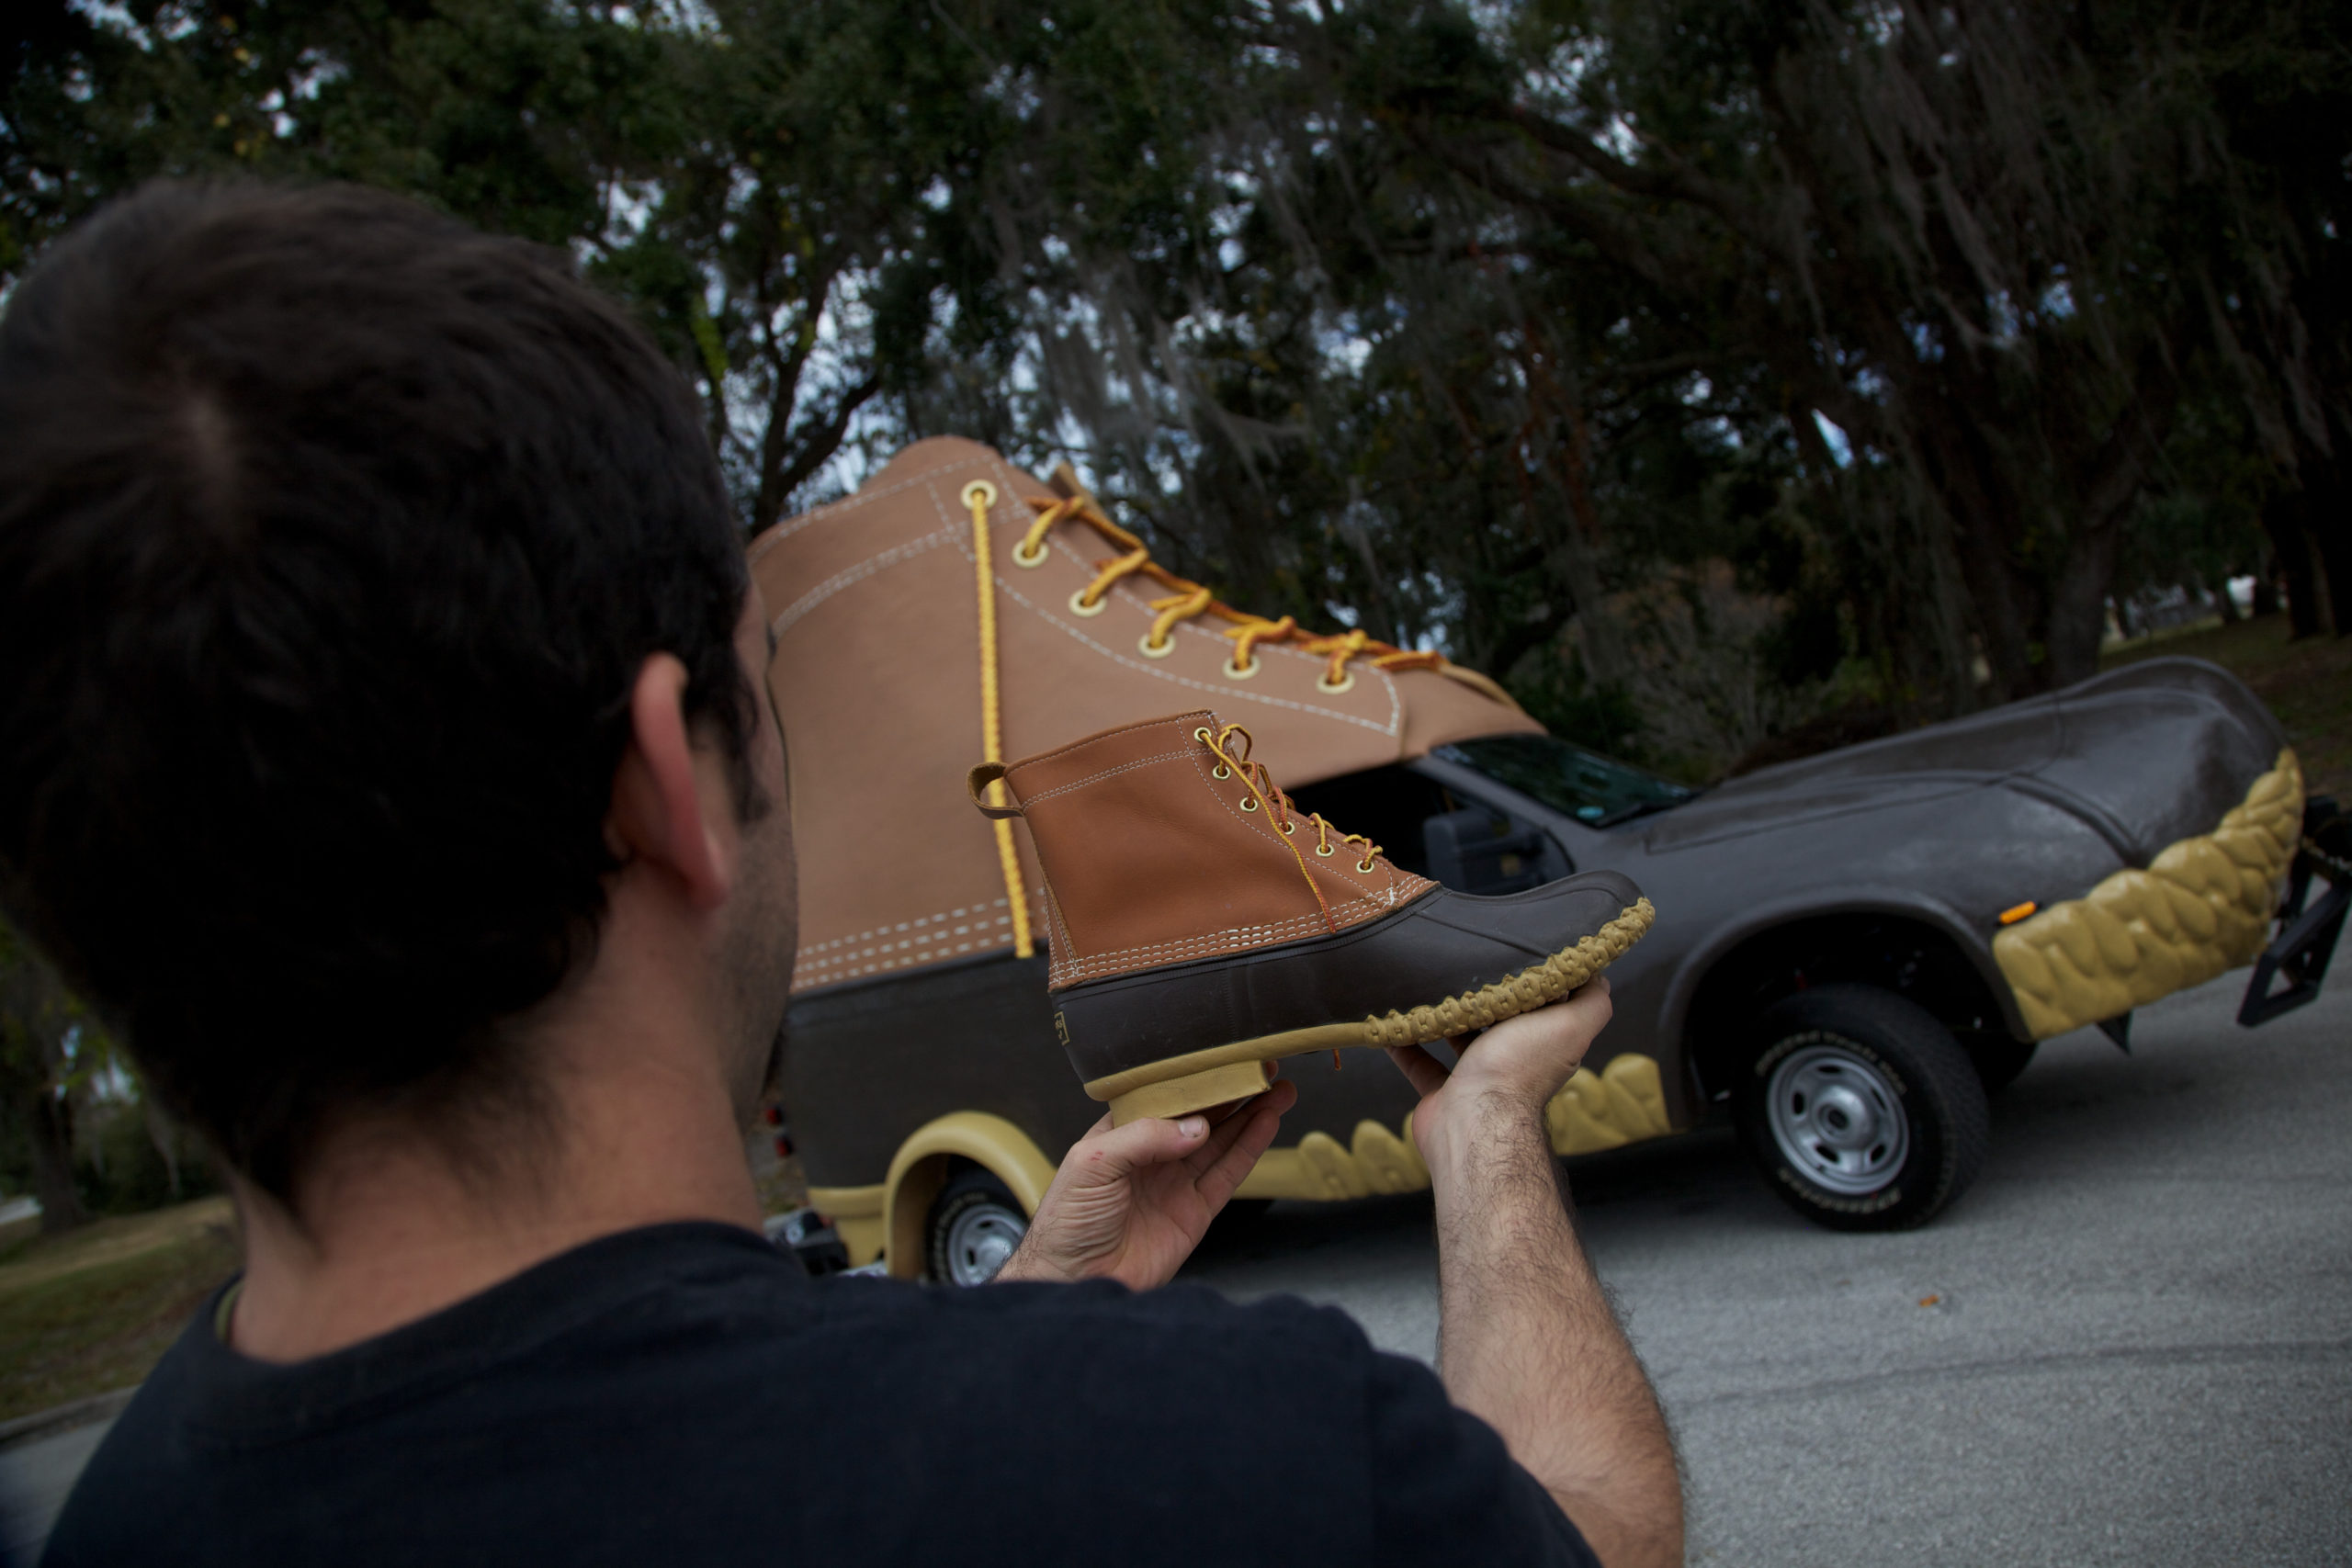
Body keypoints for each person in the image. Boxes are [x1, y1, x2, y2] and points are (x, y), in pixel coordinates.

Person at [0, 181, 1682, 1568]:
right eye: (771, 700)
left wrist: (1021, 1329)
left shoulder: (120, 1522)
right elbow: (1600, 1532)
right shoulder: (1233, 1468)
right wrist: (1489, 1160)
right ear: (664, 784)